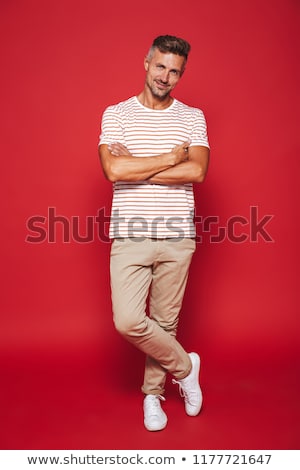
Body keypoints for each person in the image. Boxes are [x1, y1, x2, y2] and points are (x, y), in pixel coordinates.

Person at [98, 35, 210, 431]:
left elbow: (196, 171)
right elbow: (114, 171)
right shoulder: (116, 115)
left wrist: (140, 166)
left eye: (174, 70)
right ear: (146, 63)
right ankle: (185, 366)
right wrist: (169, 158)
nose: (166, 76)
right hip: (130, 234)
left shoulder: (192, 117)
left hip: (178, 235)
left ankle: (153, 397)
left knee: (164, 323)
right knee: (128, 320)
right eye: (160, 66)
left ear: (181, 74)